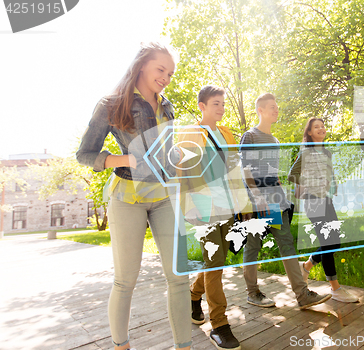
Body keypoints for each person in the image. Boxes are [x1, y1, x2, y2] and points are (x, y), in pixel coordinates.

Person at [76, 42, 192, 350]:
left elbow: (166, 151)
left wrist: (178, 153)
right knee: (125, 279)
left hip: (165, 196)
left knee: (179, 276)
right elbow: (85, 154)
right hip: (128, 197)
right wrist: (124, 159)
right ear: (142, 65)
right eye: (161, 70)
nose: (166, 77)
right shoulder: (112, 104)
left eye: (170, 73)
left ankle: (185, 346)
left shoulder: (166, 105)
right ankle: (121, 346)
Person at [176, 85, 252, 350]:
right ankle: (219, 324)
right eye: (215, 104)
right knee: (216, 259)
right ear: (202, 106)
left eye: (222, 104)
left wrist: (243, 203)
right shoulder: (189, 134)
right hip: (204, 207)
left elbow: (234, 170)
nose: (220, 108)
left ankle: (193, 295)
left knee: (217, 261)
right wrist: (189, 207)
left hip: (227, 205)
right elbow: (183, 173)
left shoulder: (227, 133)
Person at [240, 93, 331, 309]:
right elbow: (244, 170)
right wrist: (256, 197)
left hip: (275, 201)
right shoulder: (250, 136)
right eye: (272, 107)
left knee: (287, 244)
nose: (276, 110)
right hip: (256, 202)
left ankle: (302, 295)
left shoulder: (275, 141)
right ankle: (252, 292)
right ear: (260, 110)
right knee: (253, 246)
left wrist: (281, 190)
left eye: (277, 106)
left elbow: (273, 173)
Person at [288, 117, 358, 303]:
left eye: (322, 126)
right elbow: (292, 175)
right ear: (309, 133)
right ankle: (335, 288)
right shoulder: (306, 152)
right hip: (312, 201)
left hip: (326, 200)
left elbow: (329, 173)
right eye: (316, 127)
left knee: (335, 242)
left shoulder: (326, 152)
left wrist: (333, 185)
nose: (321, 129)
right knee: (328, 242)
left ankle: (307, 265)